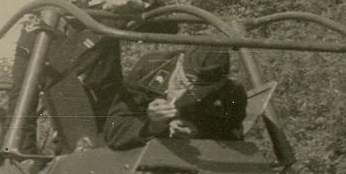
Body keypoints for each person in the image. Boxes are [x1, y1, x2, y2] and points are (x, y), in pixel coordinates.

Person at [8, 0, 177, 153]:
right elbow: (22, 98)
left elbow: (169, 28)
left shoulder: (105, 17)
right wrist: (25, 154)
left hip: (114, 127)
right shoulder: (35, 35)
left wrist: (137, 5)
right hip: (72, 135)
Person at [103, 48, 248, 150]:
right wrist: (153, 125)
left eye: (198, 92)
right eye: (182, 82)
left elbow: (231, 143)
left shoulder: (231, 93)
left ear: (220, 84)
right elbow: (114, 132)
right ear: (180, 61)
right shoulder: (150, 67)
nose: (183, 93)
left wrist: (198, 131)